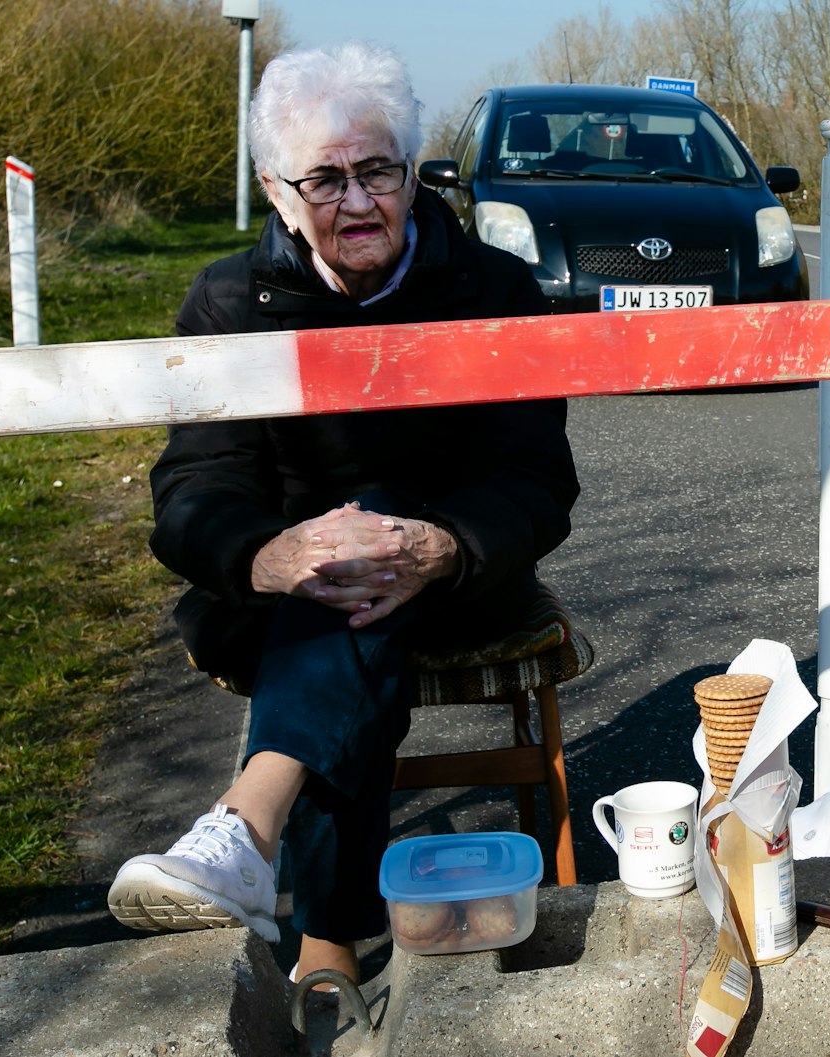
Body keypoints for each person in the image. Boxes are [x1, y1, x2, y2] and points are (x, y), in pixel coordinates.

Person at [104, 40, 578, 989]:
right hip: (282, 594)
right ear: (277, 192)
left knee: (371, 536)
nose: (359, 202)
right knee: (345, 567)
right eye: (326, 179)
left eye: (378, 171)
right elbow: (192, 491)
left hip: (461, 580)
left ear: (412, 171)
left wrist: (442, 545)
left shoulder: (498, 291)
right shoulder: (228, 302)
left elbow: (536, 479)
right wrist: (271, 553)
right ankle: (299, 908)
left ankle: (276, 874)